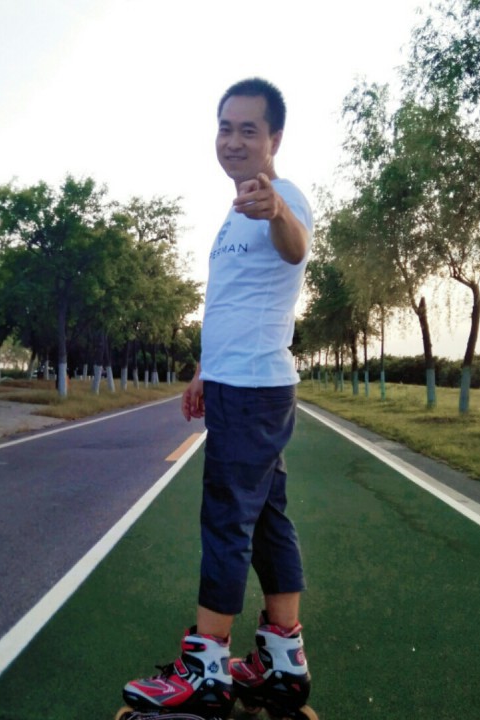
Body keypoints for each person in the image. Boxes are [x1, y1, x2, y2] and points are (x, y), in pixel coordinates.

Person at [122, 78, 315, 719]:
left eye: (248, 130)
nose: (232, 140)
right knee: (267, 519)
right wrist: (206, 369)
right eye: (225, 127)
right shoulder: (234, 212)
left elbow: (296, 248)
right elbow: (233, 303)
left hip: (254, 389)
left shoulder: (282, 199)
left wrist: (278, 211)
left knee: (227, 521)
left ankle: (206, 668)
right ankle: (282, 660)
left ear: (274, 139)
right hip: (240, 380)